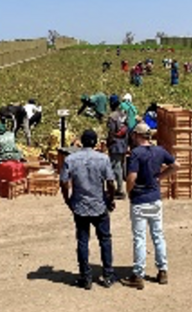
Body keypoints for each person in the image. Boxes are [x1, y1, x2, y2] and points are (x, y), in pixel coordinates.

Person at [120, 123, 178, 290]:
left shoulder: (136, 154)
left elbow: (131, 177)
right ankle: (163, 270)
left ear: (137, 136)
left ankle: (138, 274)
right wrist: (160, 177)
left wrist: (129, 192)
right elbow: (176, 166)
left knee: (139, 238)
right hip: (155, 198)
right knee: (158, 235)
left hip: (140, 199)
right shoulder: (159, 151)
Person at [60, 130, 117, 290]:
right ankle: (108, 275)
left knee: (83, 241)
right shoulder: (103, 159)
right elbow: (111, 182)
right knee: (105, 239)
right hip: (99, 204)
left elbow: (64, 182)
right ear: (95, 143)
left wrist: (68, 199)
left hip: (80, 205)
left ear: (81, 142)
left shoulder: (71, 159)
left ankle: (85, 277)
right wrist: (110, 199)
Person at [106, 95, 129, 199]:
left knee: (116, 167)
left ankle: (119, 190)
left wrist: (109, 142)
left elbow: (111, 132)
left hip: (115, 144)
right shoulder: (123, 114)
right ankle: (119, 187)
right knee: (120, 165)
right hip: (123, 144)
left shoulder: (112, 117)